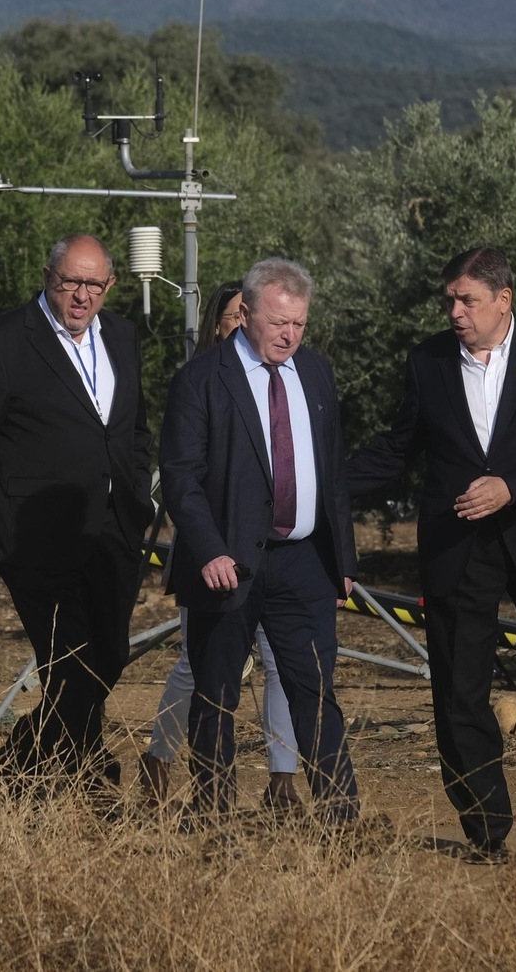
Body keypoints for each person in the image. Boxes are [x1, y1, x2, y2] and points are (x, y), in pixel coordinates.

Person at [347, 246, 516, 859]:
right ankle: (486, 828)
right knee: (459, 687)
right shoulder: (428, 360)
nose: (455, 312)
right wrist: (312, 482)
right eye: (450, 301)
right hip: (457, 545)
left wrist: (513, 486)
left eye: (467, 300)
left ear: (503, 300)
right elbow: (399, 446)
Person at [0, 234, 155, 785]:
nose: (82, 295)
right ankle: (79, 776)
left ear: (110, 286)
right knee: (70, 658)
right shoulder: (4, 340)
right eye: (71, 282)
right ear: (48, 277)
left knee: (109, 653)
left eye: (94, 284)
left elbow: (133, 430)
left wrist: (138, 493)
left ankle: (26, 755)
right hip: (34, 534)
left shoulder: (122, 335)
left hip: (113, 530)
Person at [160, 259, 360, 820]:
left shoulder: (315, 373)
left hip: (304, 565)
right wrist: (208, 548)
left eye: (299, 324)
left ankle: (342, 820)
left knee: (315, 690)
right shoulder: (201, 378)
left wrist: (342, 557)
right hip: (225, 564)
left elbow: (331, 473)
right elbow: (180, 476)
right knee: (215, 695)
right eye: (278, 323)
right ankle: (213, 817)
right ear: (244, 314)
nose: (289, 336)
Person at [141, 278, 301, 809]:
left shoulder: (284, 382)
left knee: (278, 661)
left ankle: (283, 778)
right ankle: (161, 756)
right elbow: (182, 475)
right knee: (198, 665)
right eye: (235, 316)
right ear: (220, 324)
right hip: (210, 556)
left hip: (272, 558)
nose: (243, 324)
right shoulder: (200, 384)